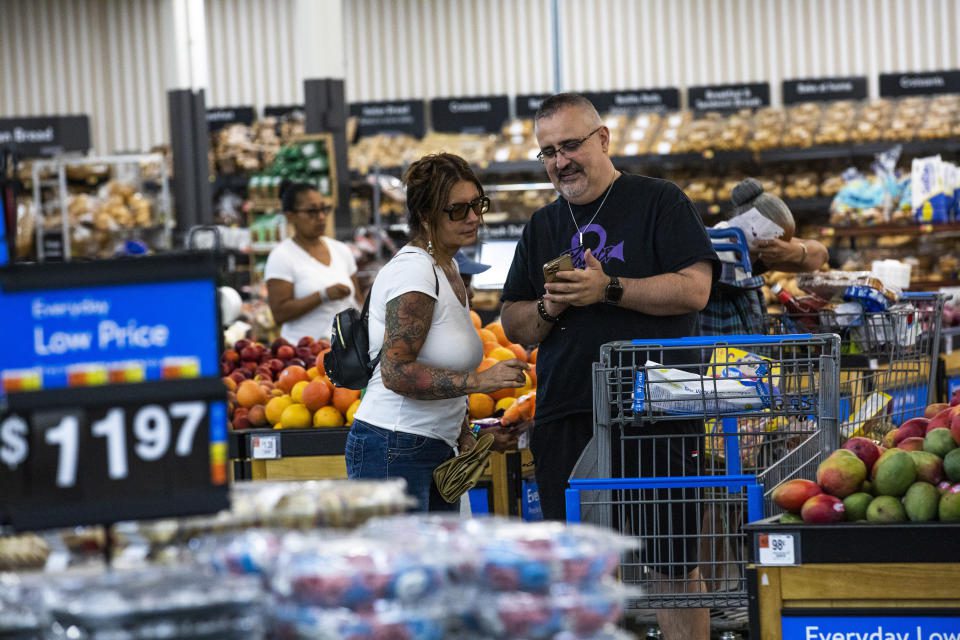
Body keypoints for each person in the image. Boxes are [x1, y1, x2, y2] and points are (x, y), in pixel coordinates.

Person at [499, 93, 719, 640]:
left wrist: (608, 288)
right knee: (580, 573)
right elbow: (513, 322)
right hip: (567, 413)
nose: (560, 161)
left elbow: (695, 290)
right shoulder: (542, 225)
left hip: (659, 413)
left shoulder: (659, 201)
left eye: (570, 144)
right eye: (547, 151)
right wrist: (554, 304)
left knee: (673, 568)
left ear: (603, 139)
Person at [346, 153, 529, 512]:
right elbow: (397, 372)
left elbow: (438, 360)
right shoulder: (414, 273)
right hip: (393, 448)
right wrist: (480, 382)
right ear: (427, 216)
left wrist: (467, 433)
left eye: (478, 205)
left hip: (429, 445)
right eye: (458, 209)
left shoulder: (447, 267)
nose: (474, 217)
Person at [700, 177, 829, 336]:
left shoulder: (759, 252)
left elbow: (821, 255)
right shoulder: (710, 249)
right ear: (755, 230)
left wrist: (793, 251)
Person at [264, 182, 361, 344]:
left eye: (324, 209)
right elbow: (279, 313)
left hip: (346, 353)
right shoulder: (281, 256)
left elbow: (358, 300)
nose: (321, 217)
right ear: (290, 216)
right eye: (312, 211)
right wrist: (323, 295)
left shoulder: (341, 250)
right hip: (303, 355)